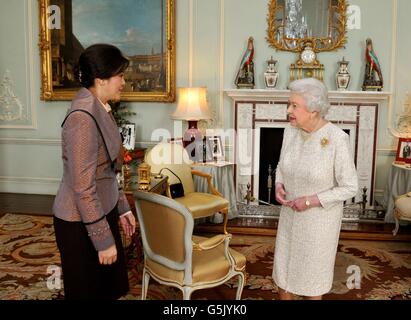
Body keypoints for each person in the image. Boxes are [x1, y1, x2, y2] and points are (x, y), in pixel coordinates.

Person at [53, 44, 136, 300]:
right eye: (120, 76)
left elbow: (107, 170)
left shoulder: (99, 106)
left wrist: (122, 208)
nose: (123, 82)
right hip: (80, 222)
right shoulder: (82, 118)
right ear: (100, 80)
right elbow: (83, 188)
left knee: (107, 289)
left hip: (101, 209)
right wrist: (104, 241)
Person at [273, 78, 358, 300]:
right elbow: (282, 165)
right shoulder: (290, 131)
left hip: (318, 224)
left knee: (311, 282)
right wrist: (278, 183)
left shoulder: (337, 139)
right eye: (289, 104)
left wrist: (311, 200)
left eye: (294, 106)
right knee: (283, 276)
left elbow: (350, 186)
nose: (288, 110)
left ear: (313, 110)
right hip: (290, 216)